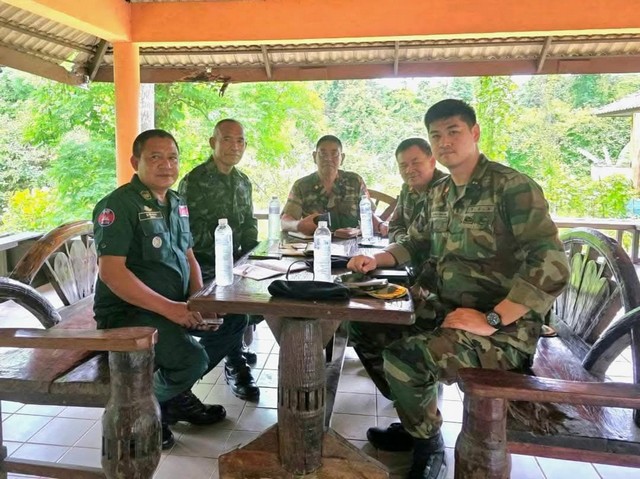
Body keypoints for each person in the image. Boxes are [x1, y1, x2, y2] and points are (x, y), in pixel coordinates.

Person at [347, 99, 570, 479]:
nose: (444, 142)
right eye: (436, 135)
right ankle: (416, 418)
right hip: (445, 311)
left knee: (406, 359)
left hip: (503, 330)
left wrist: (492, 318)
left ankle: (428, 445)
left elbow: (552, 264)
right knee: (364, 326)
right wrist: (376, 259)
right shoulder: (440, 193)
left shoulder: (511, 187)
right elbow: (416, 241)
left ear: (475, 133)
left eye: (453, 131)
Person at [93, 129, 228, 450]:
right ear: (135, 162)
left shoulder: (177, 202)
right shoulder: (118, 204)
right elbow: (112, 273)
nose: (166, 165)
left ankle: (174, 395)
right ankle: (138, 412)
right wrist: (172, 310)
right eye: (155, 157)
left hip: (173, 306)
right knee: (191, 360)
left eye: (172, 157)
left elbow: (188, 255)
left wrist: (199, 300)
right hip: (129, 312)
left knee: (235, 321)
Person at [178, 119, 260, 401]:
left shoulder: (242, 181)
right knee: (234, 309)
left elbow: (249, 223)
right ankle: (228, 364)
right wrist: (227, 252)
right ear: (213, 143)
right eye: (227, 139)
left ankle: (233, 349)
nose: (234, 146)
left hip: (235, 264)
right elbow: (188, 234)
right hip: (201, 265)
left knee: (267, 293)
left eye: (240, 141)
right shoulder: (194, 181)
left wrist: (253, 257)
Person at [281, 135, 381, 237]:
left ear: (342, 158)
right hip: (317, 243)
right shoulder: (302, 186)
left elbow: (369, 215)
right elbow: (285, 221)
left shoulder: (355, 181)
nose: (328, 159)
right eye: (323, 154)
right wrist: (299, 225)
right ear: (314, 157)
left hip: (353, 243)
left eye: (335, 154)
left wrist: (381, 225)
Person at [384, 138, 447, 242]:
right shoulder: (407, 189)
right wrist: (402, 241)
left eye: (416, 163)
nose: (409, 170)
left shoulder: (446, 189)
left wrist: (405, 245)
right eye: (403, 166)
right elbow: (394, 226)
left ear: (432, 162)